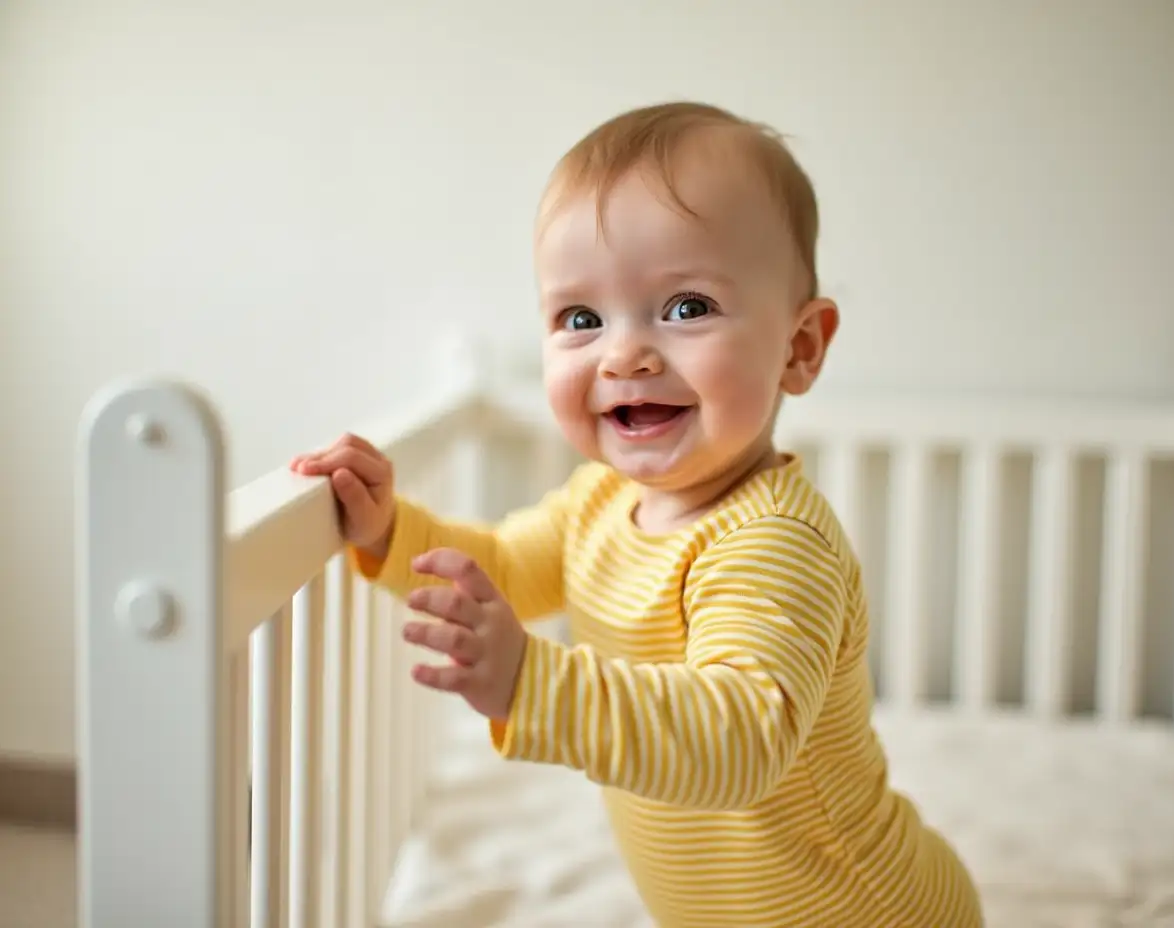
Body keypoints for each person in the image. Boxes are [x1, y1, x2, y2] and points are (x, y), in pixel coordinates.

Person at [290, 101, 983, 927]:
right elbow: (504, 569)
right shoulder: (603, 503)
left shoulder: (772, 543)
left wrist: (531, 681)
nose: (625, 353)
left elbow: (738, 742)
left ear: (800, 347)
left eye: (687, 306)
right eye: (580, 319)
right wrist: (388, 530)